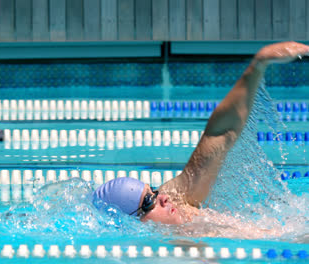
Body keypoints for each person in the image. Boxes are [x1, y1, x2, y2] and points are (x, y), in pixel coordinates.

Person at [93, 42, 309, 225]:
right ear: (132, 223)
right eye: (149, 202)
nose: (164, 199)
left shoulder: (180, 199)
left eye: (155, 192)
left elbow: (219, 134)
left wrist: (258, 65)